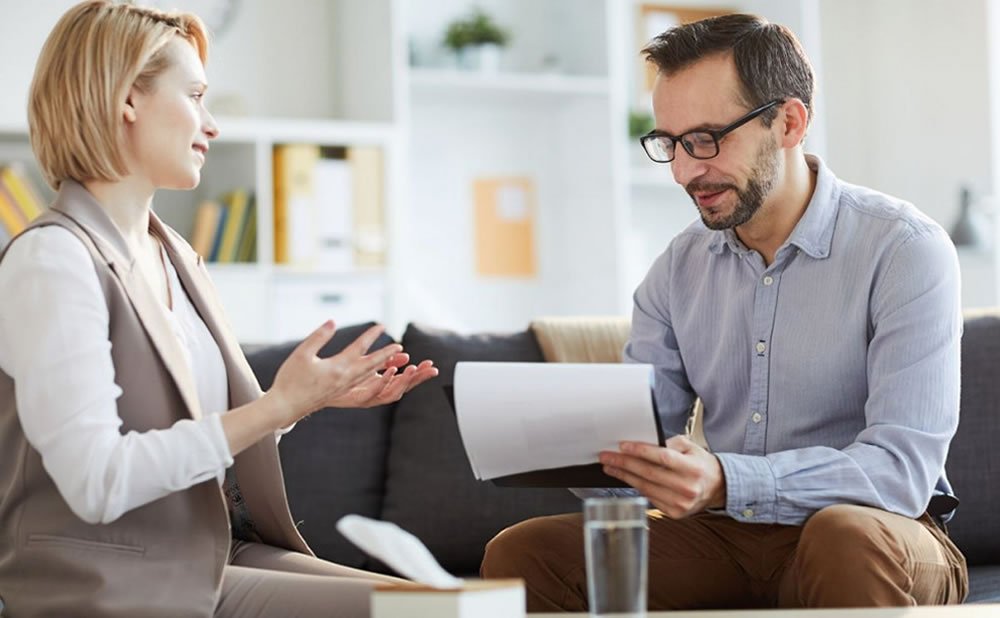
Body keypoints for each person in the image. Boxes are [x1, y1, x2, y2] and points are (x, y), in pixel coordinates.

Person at [481, 13, 968, 611]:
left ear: (788, 122)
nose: (686, 171)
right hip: (728, 538)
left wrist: (727, 480)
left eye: (708, 139)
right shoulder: (677, 268)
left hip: (885, 531)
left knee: (843, 535)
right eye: (670, 143)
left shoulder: (904, 249)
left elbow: (900, 469)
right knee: (524, 551)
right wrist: (557, 442)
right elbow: (644, 437)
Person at [0, 2, 438, 616]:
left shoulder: (174, 254)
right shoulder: (53, 261)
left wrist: (302, 402)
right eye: (196, 96)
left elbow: (219, 429)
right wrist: (277, 406)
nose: (212, 124)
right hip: (105, 576)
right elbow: (98, 483)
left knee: (444, 603)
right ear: (127, 97)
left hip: (205, 551)